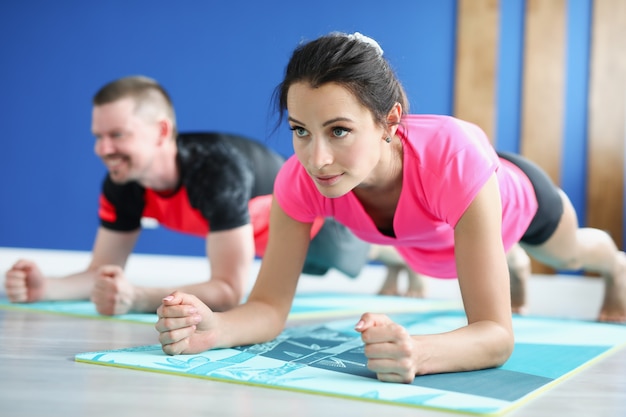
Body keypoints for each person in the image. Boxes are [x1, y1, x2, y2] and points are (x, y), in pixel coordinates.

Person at [155, 32, 626, 381]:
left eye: (339, 130)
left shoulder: (455, 159)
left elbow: (496, 336)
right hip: (439, 237)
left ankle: (616, 267)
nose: (316, 159)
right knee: (493, 257)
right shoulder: (299, 183)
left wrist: (418, 353)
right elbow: (269, 308)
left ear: (390, 122)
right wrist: (215, 327)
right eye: (300, 130)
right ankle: (511, 264)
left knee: (570, 254)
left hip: (516, 199)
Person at [3, 75, 373, 315]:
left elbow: (228, 291)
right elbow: (101, 272)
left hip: (308, 221)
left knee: (362, 248)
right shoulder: (122, 183)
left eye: (117, 135)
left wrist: (137, 298)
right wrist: (46, 286)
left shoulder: (215, 171)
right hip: (254, 239)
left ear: (161, 131)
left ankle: (400, 261)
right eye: (98, 136)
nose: (103, 149)